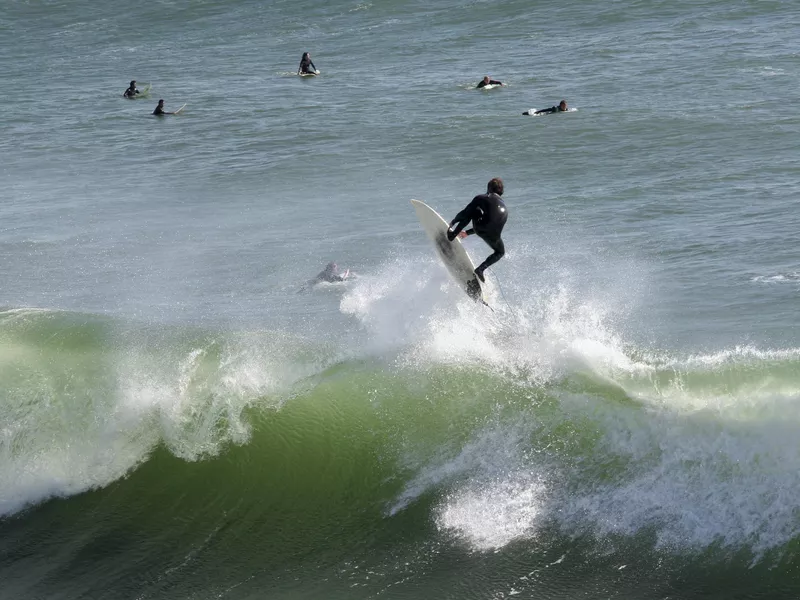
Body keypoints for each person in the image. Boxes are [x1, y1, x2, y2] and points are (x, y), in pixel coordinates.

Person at [447, 178, 508, 283]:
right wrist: (467, 233)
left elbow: (465, 213)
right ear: (501, 192)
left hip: (480, 228)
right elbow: (490, 225)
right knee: (500, 252)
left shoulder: (482, 197)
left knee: (474, 211)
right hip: (494, 235)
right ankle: (480, 269)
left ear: (489, 188)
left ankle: (452, 234)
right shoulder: (503, 205)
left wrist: (453, 221)